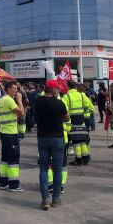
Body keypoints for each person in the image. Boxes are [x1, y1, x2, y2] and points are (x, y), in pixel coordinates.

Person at [35, 80, 70, 209]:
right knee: (58, 169)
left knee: (43, 168)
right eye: (57, 88)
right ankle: (55, 199)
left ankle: (45, 199)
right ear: (54, 89)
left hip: (42, 138)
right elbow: (67, 118)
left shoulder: (38, 102)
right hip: (57, 138)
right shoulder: (59, 103)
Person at [0, 81, 24, 192]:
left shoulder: (2, 99)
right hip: (10, 133)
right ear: (8, 89)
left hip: (4, 132)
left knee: (5, 158)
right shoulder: (9, 100)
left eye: (16, 88)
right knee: (13, 158)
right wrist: (19, 100)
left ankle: (3, 182)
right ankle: (13, 184)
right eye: (14, 88)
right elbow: (21, 112)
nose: (16, 90)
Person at [62, 80, 90, 166]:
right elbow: (87, 105)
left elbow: (64, 110)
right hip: (81, 120)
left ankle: (78, 159)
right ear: (75, 86)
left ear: (68, 86)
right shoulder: (82, 95)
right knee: (82, 140)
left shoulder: (66, 97)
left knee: (76, 141)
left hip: (71, 121)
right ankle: (86, 158)